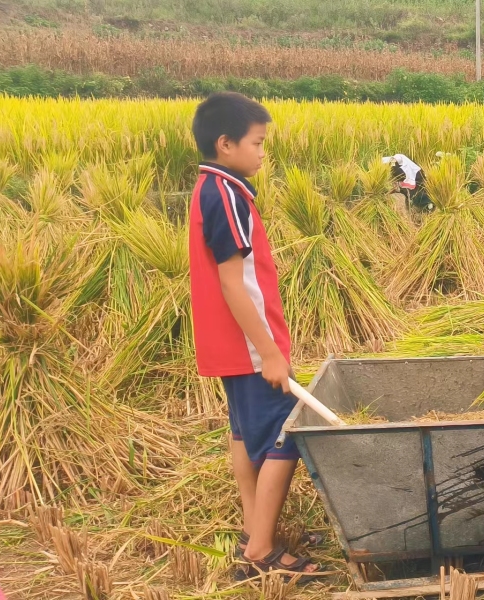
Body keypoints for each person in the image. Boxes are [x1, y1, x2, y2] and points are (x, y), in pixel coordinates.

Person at [188, 92, 321, 576]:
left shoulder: (213, 187)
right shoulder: (225, 195)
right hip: (247, 345)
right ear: (226, 144)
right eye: (257, 142)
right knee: (288, 435)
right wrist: (269, 352)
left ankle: (254, 526)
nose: (264, 152)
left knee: (244, 435)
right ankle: (262, 551)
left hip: (230, 343)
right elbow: (232, 281)